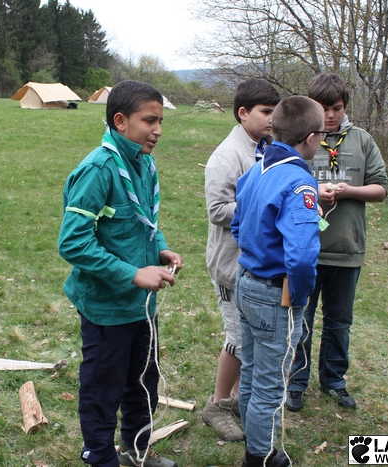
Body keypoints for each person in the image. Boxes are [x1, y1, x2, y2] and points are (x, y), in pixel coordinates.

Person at [58, 80, 183, 467]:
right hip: (107, 308)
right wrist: (133, 274)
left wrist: (161, 248)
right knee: (103, 388)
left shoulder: (143, 163)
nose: (157, 130)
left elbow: (144, 221)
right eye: (149, 121)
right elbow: (73, 243)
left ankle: (135, 448)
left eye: (160, 121)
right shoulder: (98, 170)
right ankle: (100, 456)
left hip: (141, 306)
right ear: (120, 121)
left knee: (143, 381)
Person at [286, 72, 388, 412]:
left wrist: (349, 191)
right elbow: (283, 183)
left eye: (337, 108)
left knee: (339, 322)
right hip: (306, 249)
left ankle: (334, 381)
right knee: (300, 320)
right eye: (324, 108)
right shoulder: (300, 139)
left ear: (345, 107)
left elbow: (381, 188)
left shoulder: (362, 140)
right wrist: (314, 191)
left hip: (347, 249)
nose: (330, 115)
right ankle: (295, 382)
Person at [232, 95, 325, 467]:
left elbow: (238, 226)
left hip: (246, 282)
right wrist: (299, 296)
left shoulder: (257, 169)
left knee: (251, 372)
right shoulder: (300, 182)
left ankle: (256, 441)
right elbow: (301, 255)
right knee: (269, 385)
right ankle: (260, 456)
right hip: (275, 294)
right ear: (311, 137)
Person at [202, 78, 280, 442]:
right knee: (237, 337)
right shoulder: (227, 156)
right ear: (243, 113)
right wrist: (265, 205)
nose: (272, 119)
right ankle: (217, 405)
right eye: (265, 112)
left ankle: (237, 398)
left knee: (248, 337)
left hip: (256, 263)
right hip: (230, 264)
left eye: (275, 112)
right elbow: (218, 210)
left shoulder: (268, 148)